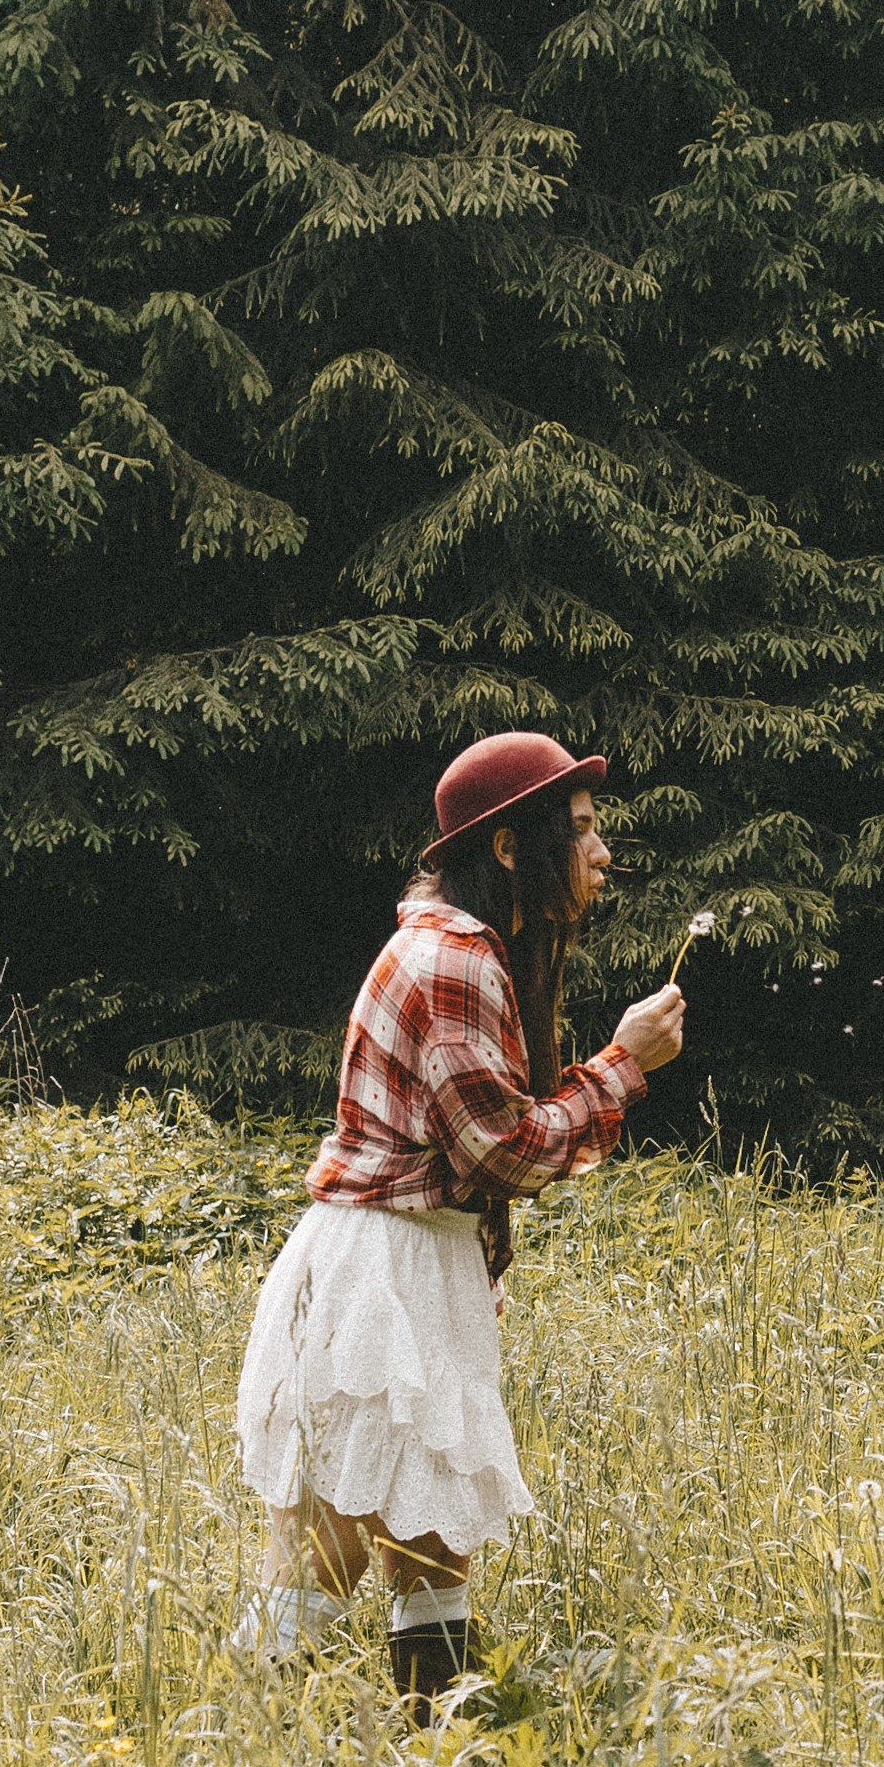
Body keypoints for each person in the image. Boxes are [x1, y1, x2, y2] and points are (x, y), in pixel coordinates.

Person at [231, 731, 686, 1715]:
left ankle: (439, 1757)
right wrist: (623, 1066)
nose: (603, 851)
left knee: (435, 1540)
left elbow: (474, 1157)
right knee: (332, 1541)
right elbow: (502, 1152)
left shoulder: (475, 949)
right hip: (378, 1272)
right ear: (511, 849)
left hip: (413, 1262)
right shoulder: (453, 961)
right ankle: (245, 1744)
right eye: (581, 829)